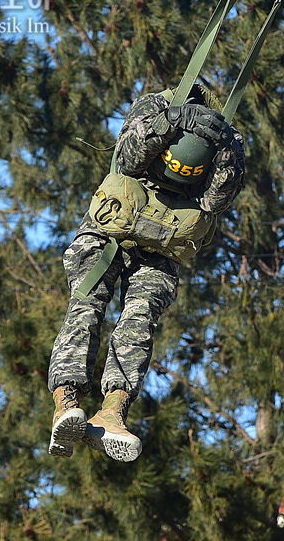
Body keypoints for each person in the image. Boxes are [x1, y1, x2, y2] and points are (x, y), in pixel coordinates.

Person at [47, 84, 245, 461]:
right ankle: (66, 402)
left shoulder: (229, 138)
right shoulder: (157, 105)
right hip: (109, 230)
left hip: (163, 243)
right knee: (87, 304)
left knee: (139, 320)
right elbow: (127, 159)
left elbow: (215, 201)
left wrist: (226, 150)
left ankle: (112, 412)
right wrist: (169, 124)